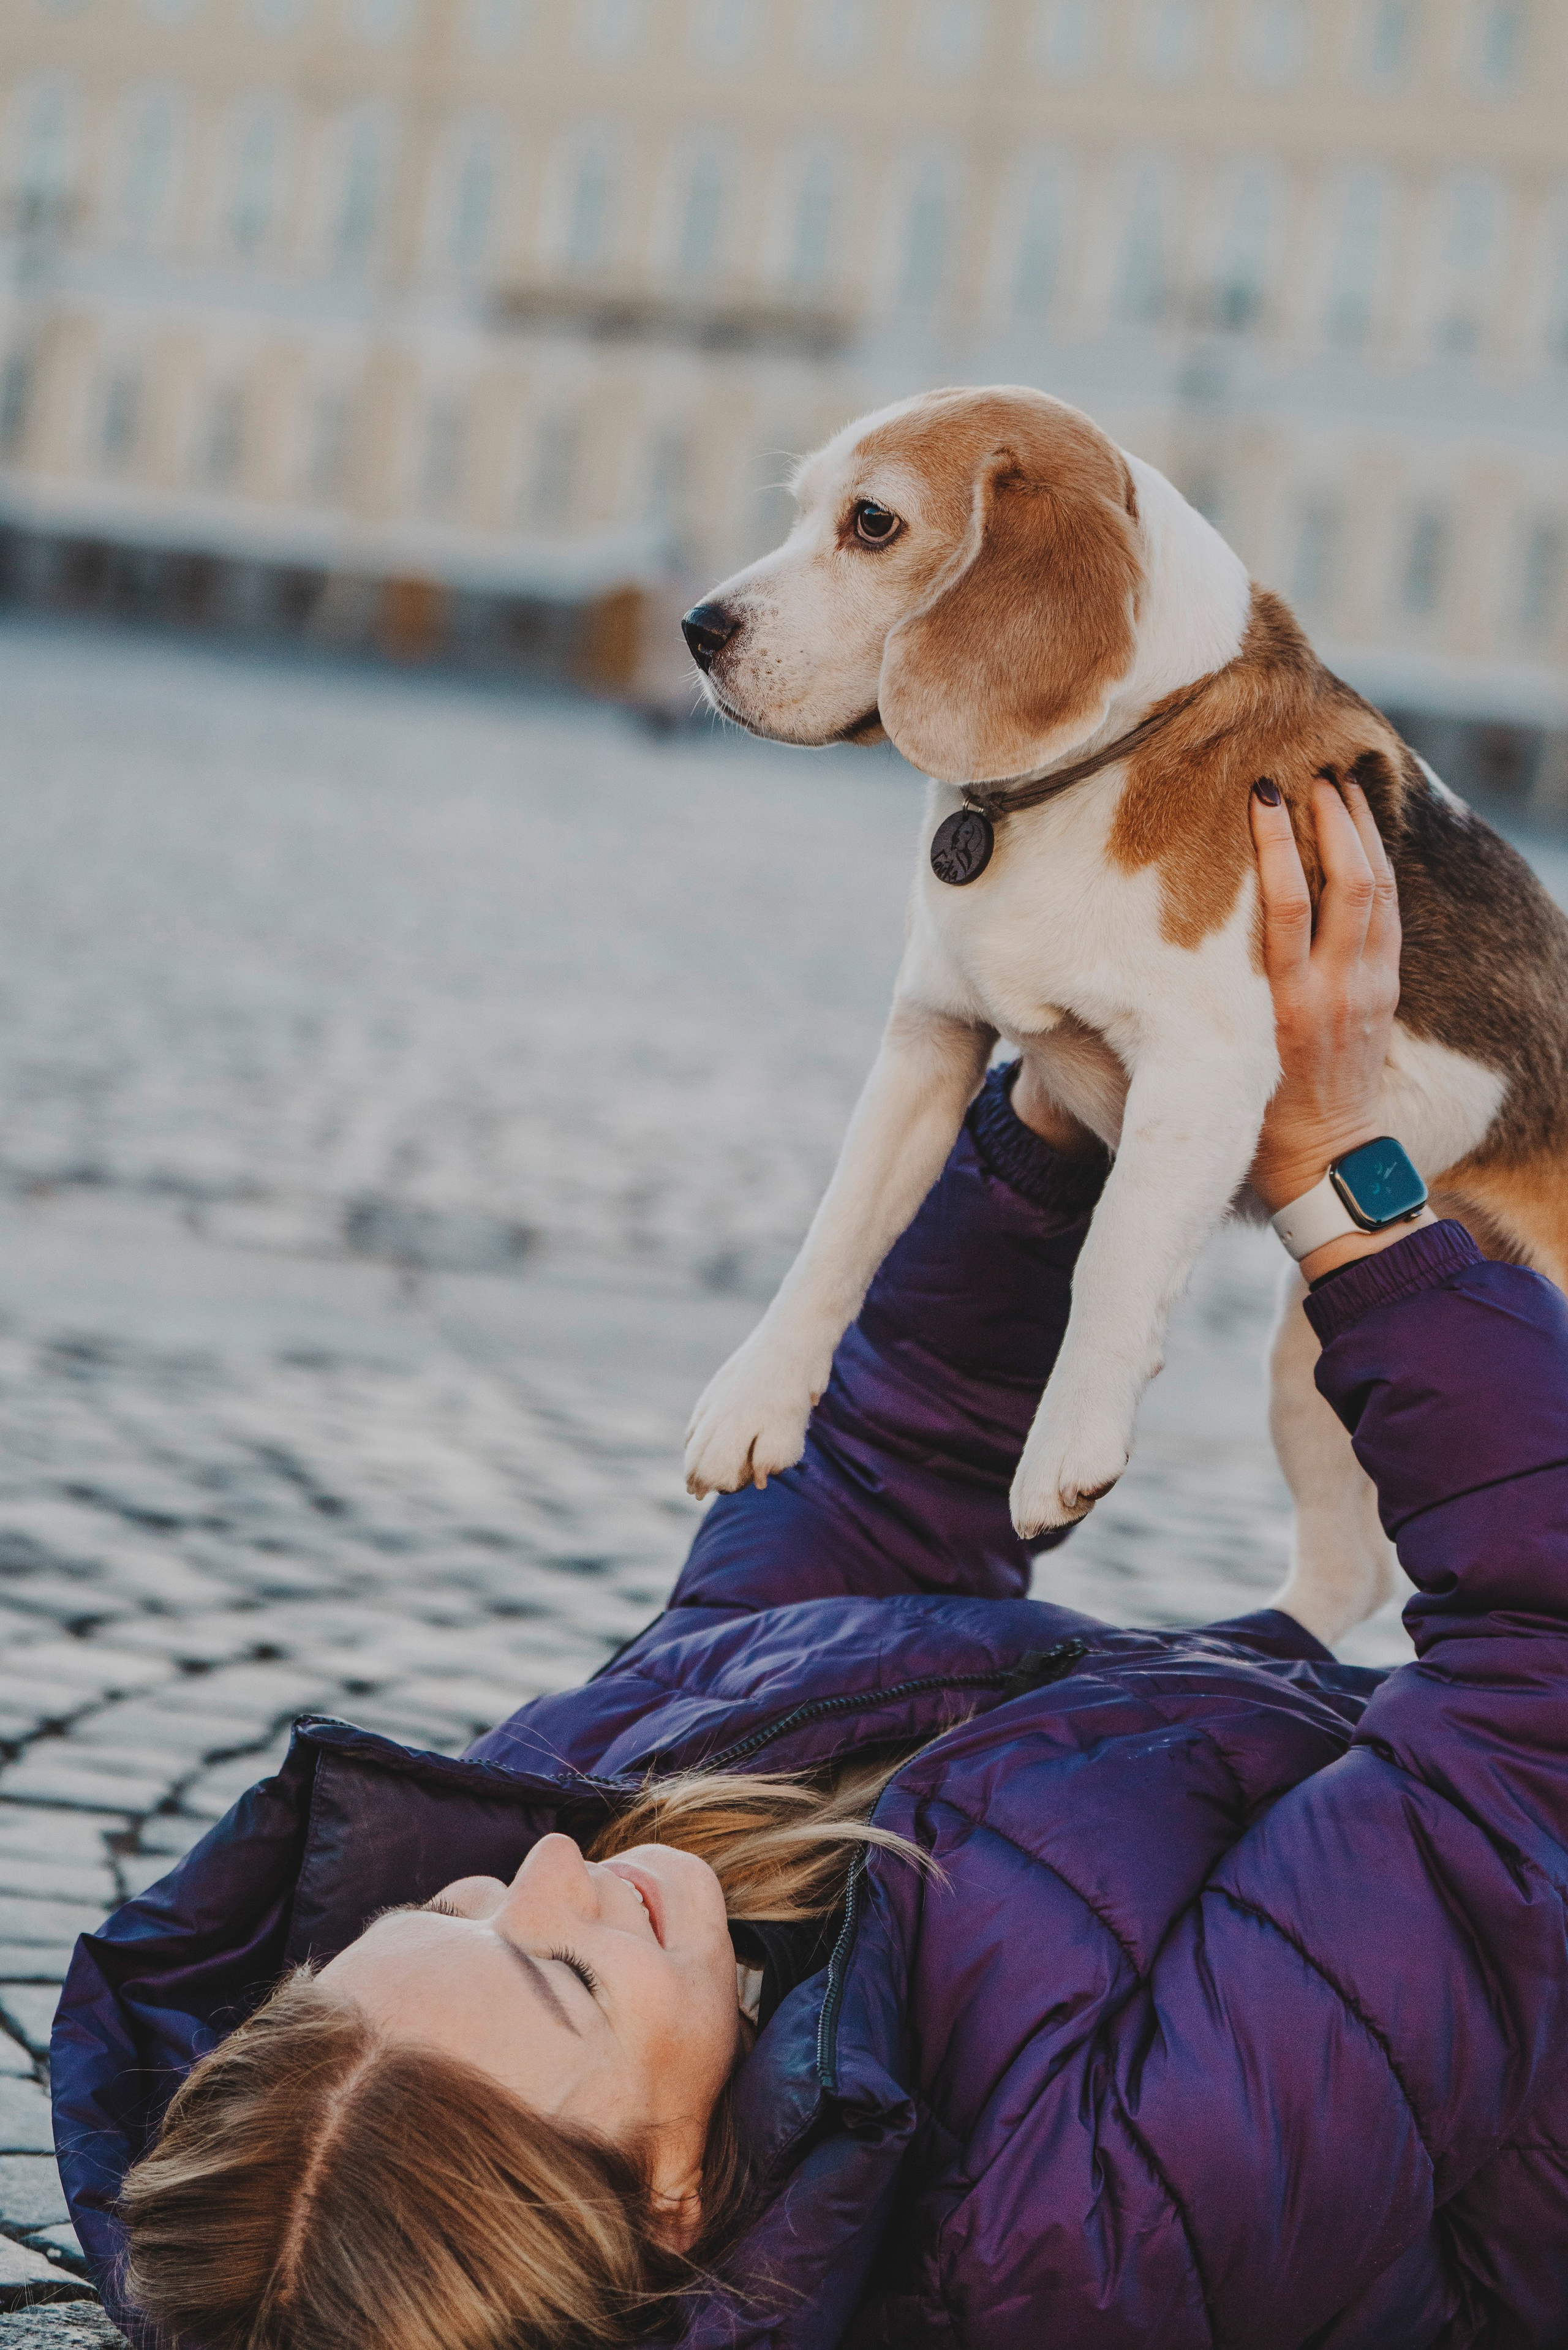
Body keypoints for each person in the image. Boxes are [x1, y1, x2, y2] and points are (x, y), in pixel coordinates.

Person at [52, 778, 1568, 2350]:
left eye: (456, 1902)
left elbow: (876, 1489)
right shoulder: (1093, 2221)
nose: (553, 1865)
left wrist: (1051, 1117)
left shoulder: (612, 1835)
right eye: (559, 1976)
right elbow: (1531, 1712)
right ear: (668, 2203)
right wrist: (1341, 1167)